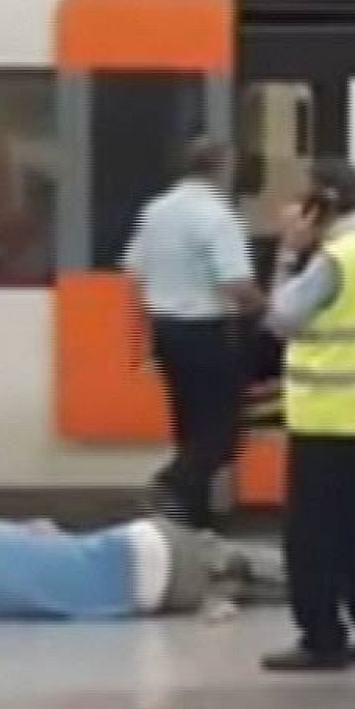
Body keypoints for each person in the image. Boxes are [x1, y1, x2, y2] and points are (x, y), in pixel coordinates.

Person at [259, 158, 355, 672]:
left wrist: (285, 255)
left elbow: (280, 319)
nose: (291, 211)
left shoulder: (334, 259)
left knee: (312, 537)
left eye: (300, 201)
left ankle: (322, 638)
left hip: (322, 418)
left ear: (324, 203)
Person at [122, 138, 262, 531]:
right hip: (207, 332)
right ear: (220, 167)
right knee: (222, 431)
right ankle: (169, 486)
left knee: (189, 427)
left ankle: (192, 521)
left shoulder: (155, 210)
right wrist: (267, 309)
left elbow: (135, 269)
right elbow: (236, 282)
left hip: (165, 331)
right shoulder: (216, 215)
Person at [0, 516, 284, 620]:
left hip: (155, 596)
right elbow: (48, 528)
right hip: (145, 542)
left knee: (242, 591)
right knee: (227, 554)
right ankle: (320, 572)